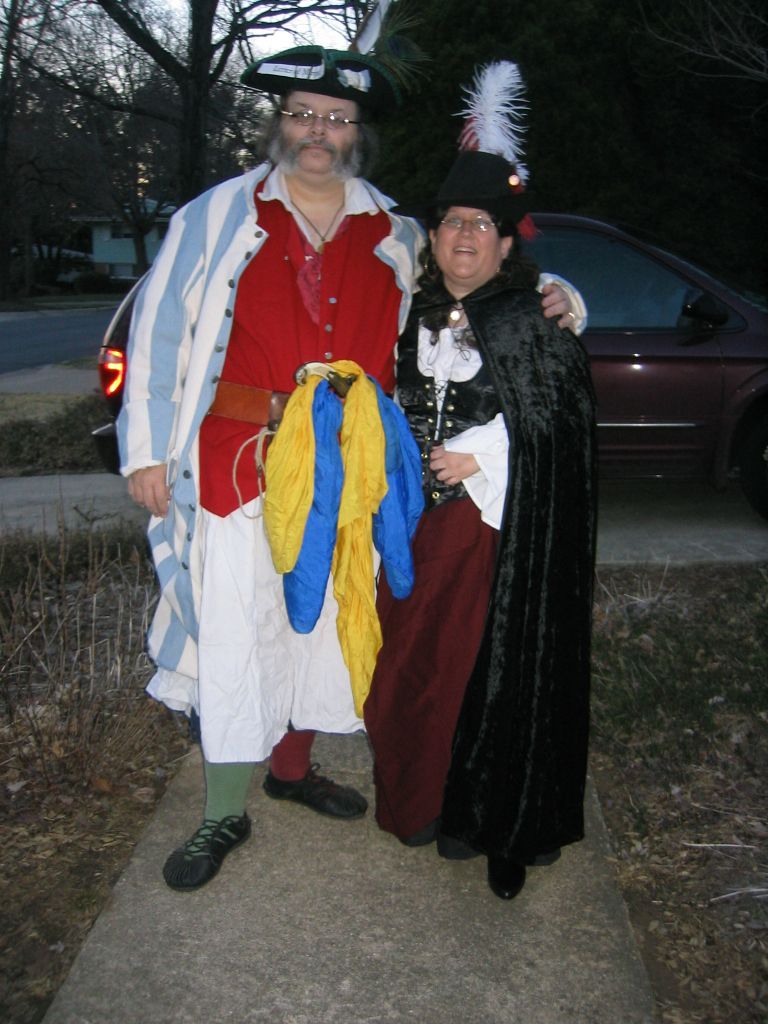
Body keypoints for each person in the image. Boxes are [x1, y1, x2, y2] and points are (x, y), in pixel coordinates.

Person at [118, 45, 582, 892]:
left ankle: (293, 770)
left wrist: (561, 294)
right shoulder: (215, 217)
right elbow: (158, 334)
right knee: (237, 628)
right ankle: (223, 808)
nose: (318, 131)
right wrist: (147, 451)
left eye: (337, 119)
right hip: (241, 460)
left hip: (349, 470)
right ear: (278, 123)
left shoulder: (394, 230)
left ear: (357, 135)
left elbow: (473, 272)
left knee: (323, 624)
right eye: (303, 113)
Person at [364, 62, 597, 901]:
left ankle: (492, 818)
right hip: (408, 524)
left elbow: (559, 420)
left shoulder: (535, 317)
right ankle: (421, 799)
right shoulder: (407, 311)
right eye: (452, 222)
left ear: (506, 242)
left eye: (482, 225)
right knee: (405, 668)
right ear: (433, 236)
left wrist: (482, 456)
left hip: (494, 530)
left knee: (481, 673)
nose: (464, 235)